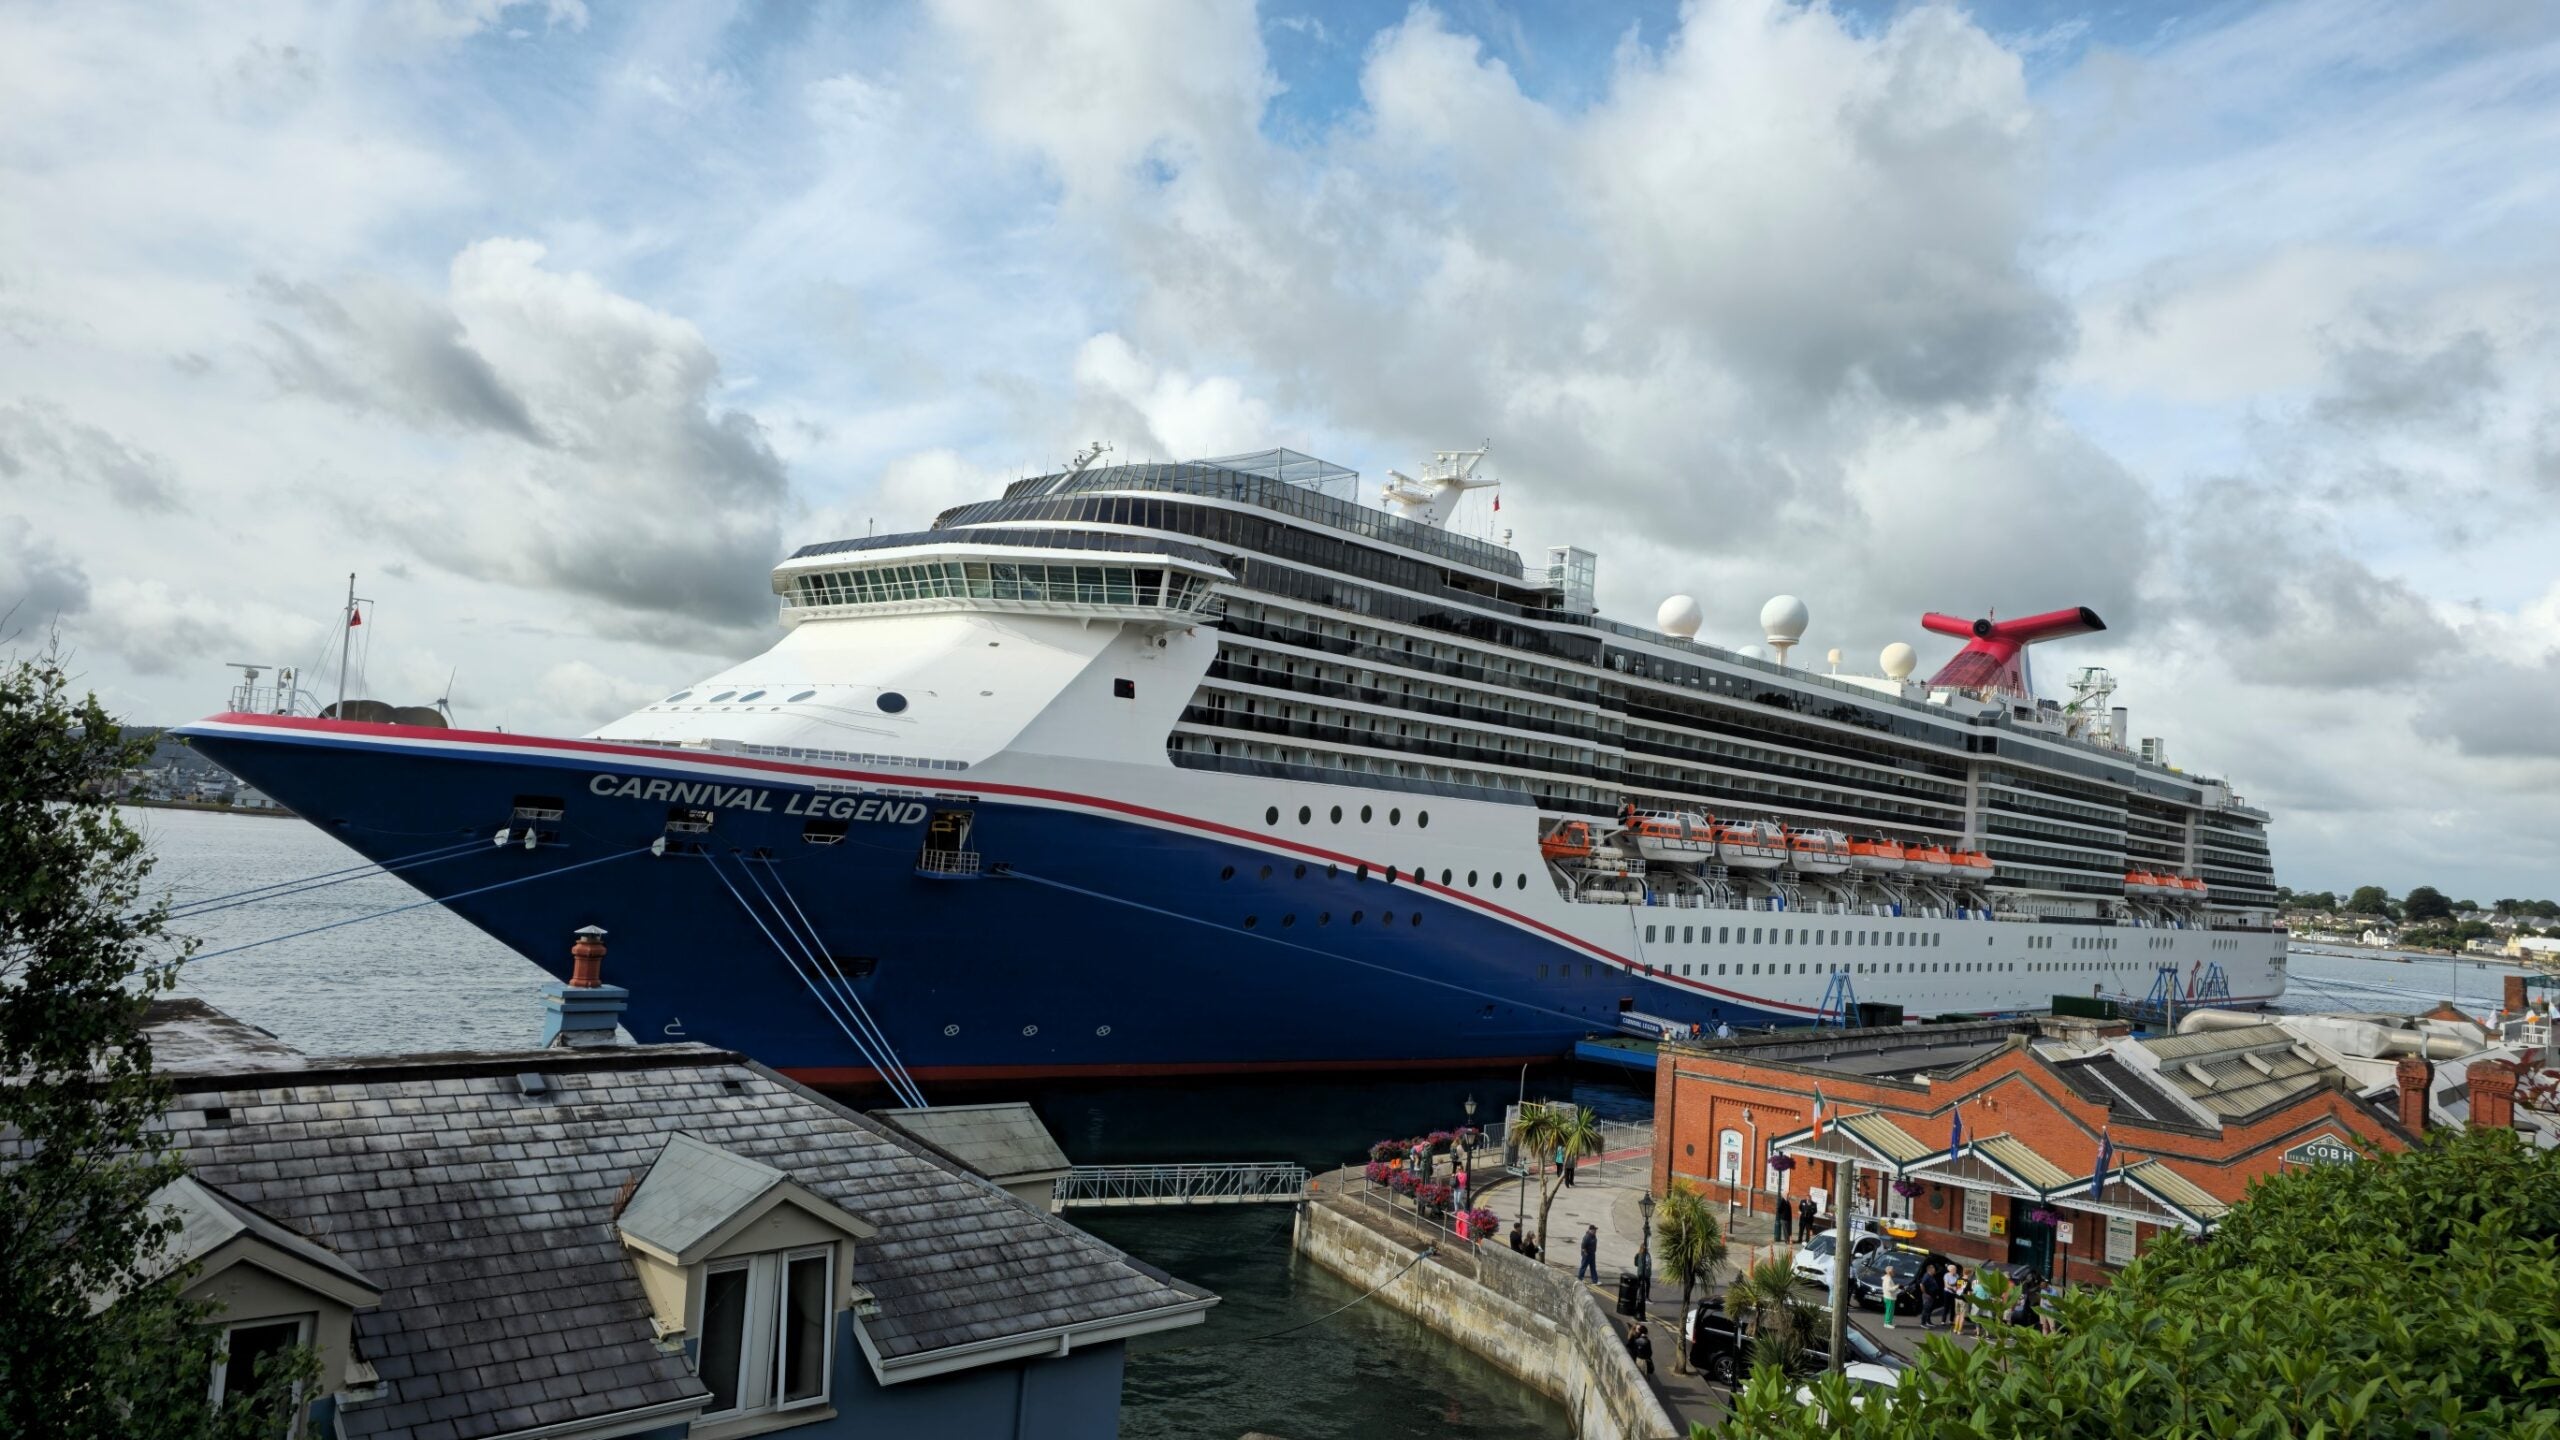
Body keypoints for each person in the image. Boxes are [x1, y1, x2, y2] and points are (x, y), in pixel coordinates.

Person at [1633, 1243, 1653, 1307]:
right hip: (1642, 1273)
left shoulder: (1645, 1254)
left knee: (1645, 1285)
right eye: (1645, 1247)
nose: (1646, 1248)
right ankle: (1641, 1297)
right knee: (1641, 1285)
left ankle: (1644, 1297)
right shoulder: (1641, 1255)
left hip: (1645, 1273)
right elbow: (1637, 1264)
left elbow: (1649, 1264)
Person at [1880, 1266, 1900, 1330]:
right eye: (1893, 1271)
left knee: (1890, 1311)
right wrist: (1897, 1286)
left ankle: (1889, 1322)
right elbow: (1889, 1289)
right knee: (1889, 1311)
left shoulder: (1887, 1278)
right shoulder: (1888, 1279)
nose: (1894, 1272)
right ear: (1889, 1272)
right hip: (1889, 1297)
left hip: (1889, 1297)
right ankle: (1887, 1323)